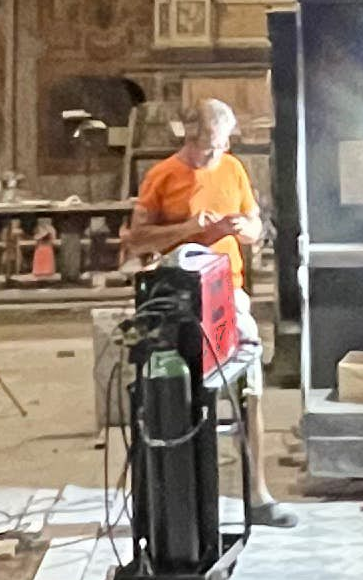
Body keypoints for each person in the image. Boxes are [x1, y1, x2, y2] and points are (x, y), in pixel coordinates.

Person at [124, 100, 293, 525]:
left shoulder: (234, 169)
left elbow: (255, 229)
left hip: (228, 293)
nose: (212, 156)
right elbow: (136, 240)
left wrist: (243, 229)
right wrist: (188, 228)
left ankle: (258, 493)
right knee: (173, 391)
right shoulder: (161, 175)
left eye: (219, 148)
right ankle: (172, 502)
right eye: (205, 148)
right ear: (188, 135)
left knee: (251, 386)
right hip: (177, 297)